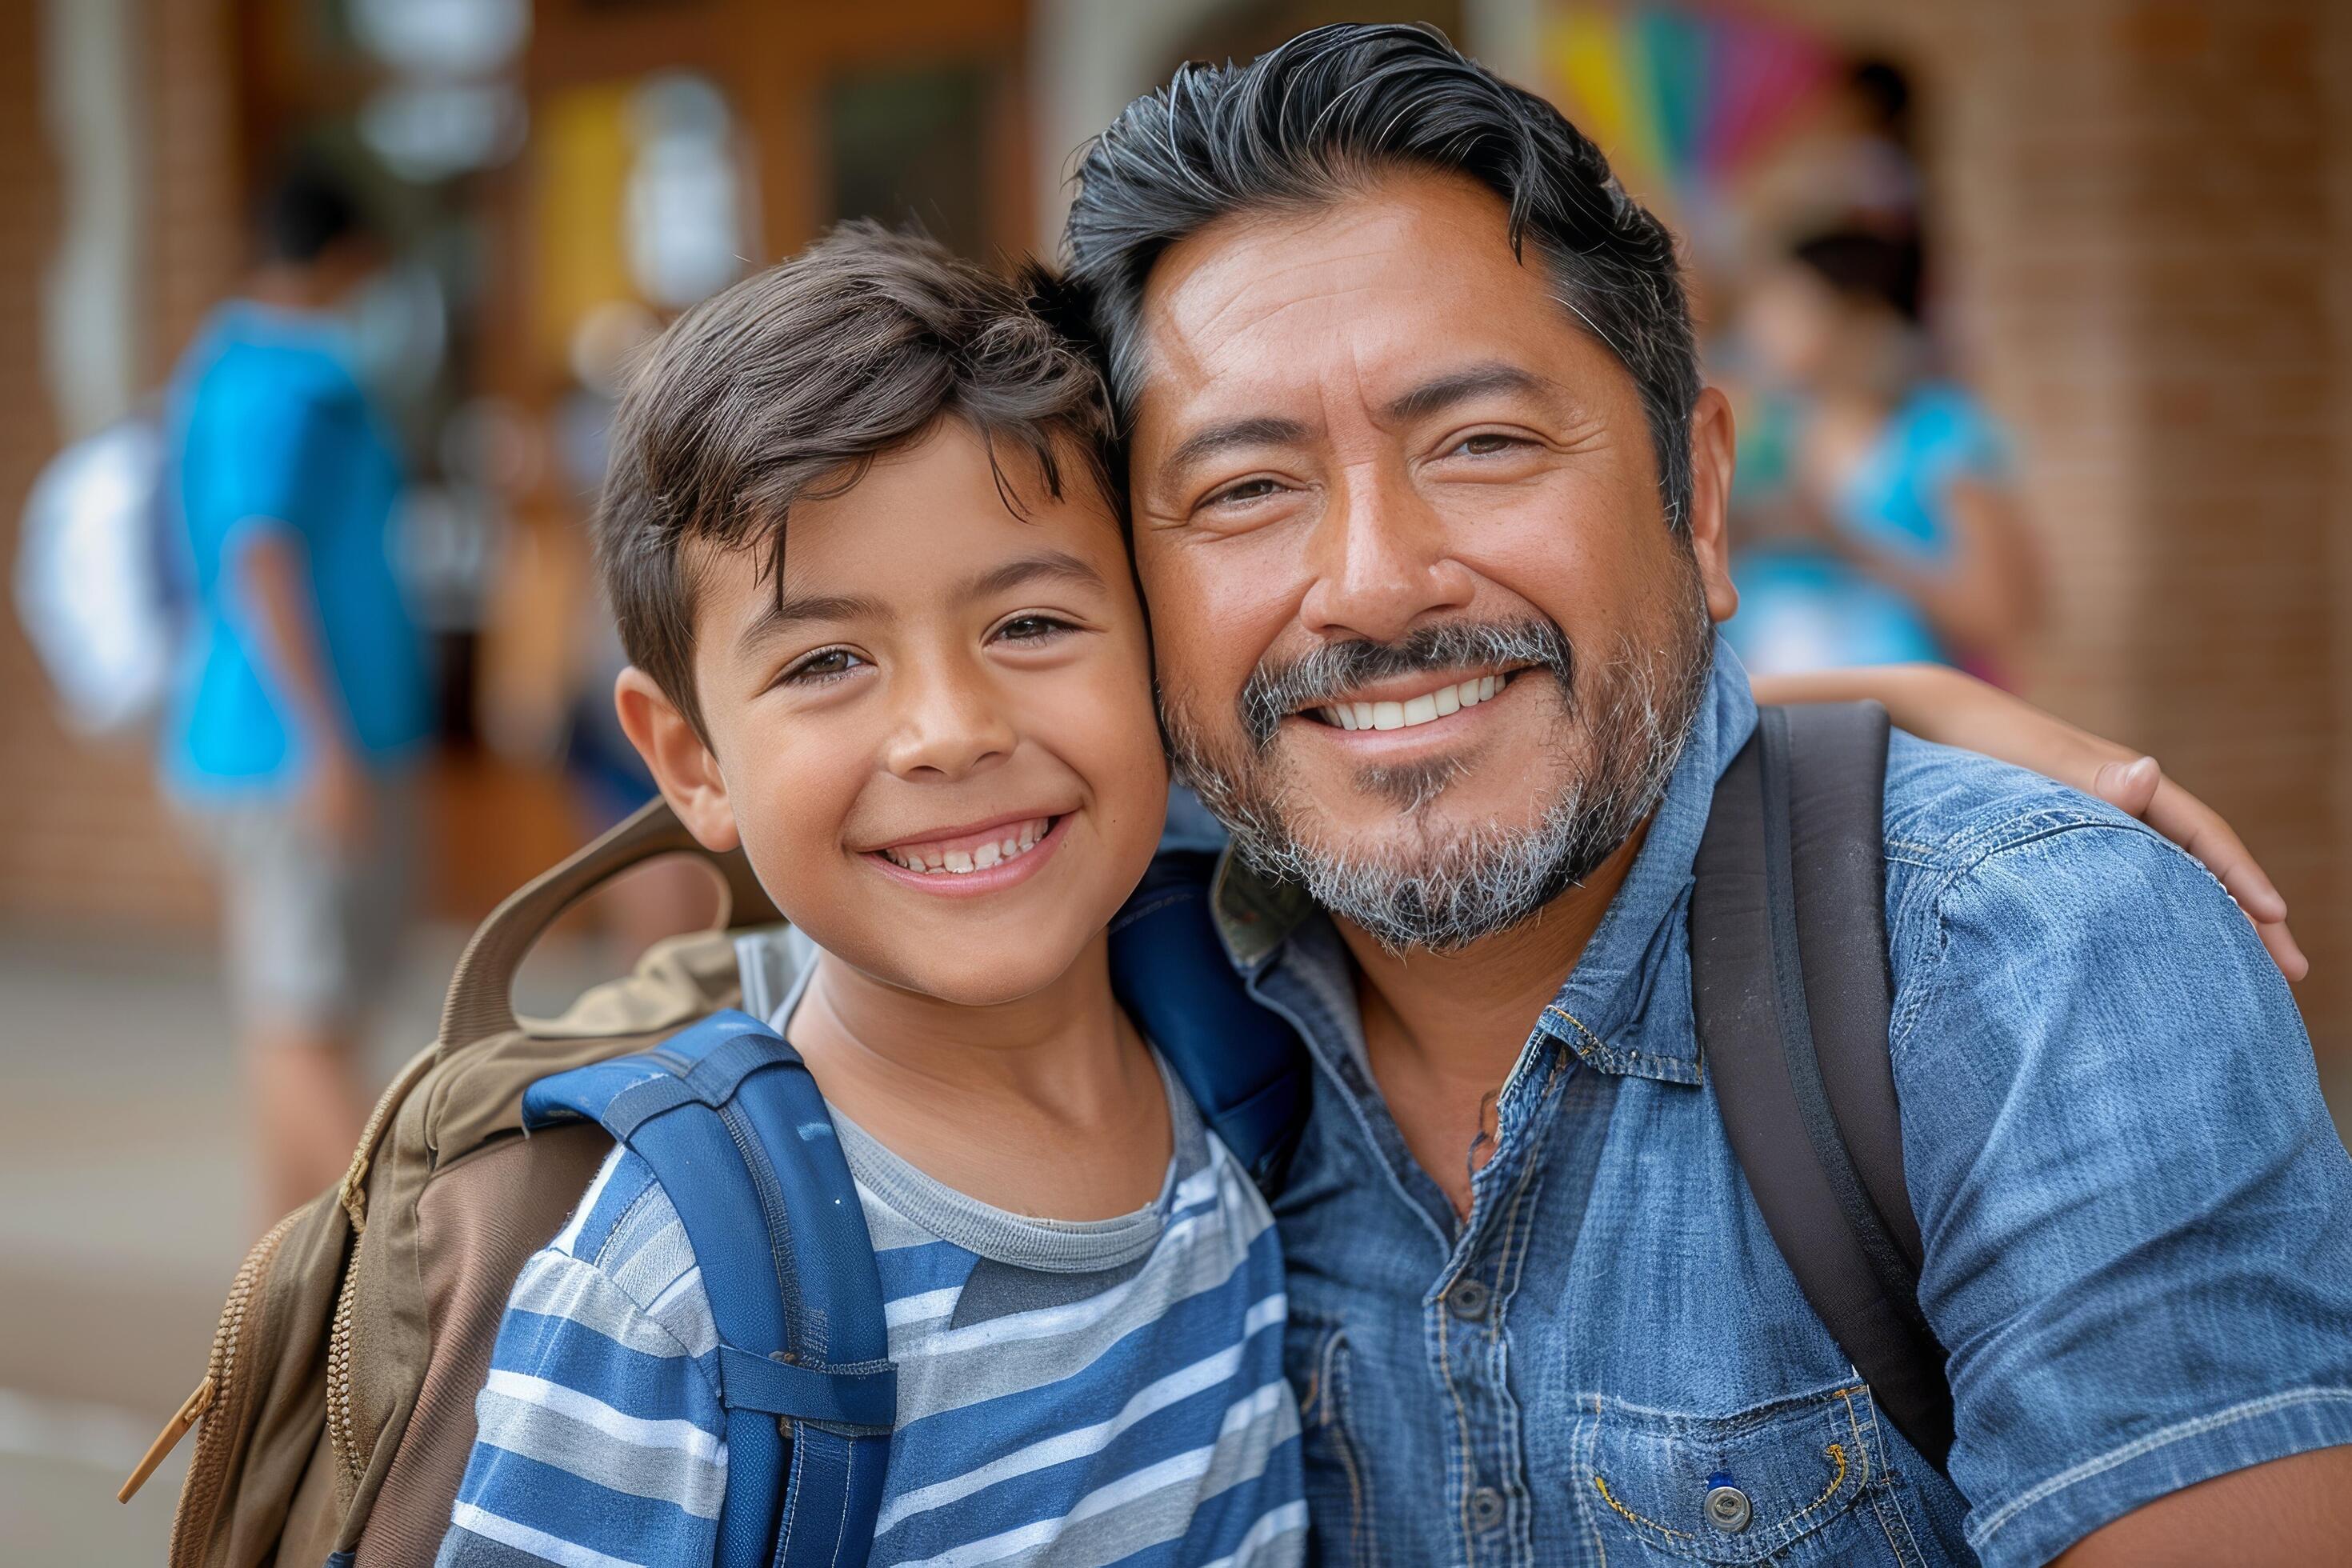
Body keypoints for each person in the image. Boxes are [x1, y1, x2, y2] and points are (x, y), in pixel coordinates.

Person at [1058, 22, 2352, 1566]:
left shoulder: (2032, 968)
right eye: (1246, 489)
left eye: (1481, 444)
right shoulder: (1096, 974)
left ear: (1702, 498)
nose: (1375, 584)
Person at [436, 227, 1305, 1566]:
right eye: (829, 660)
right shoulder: (674, 1290)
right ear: (689, 762)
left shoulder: (1244, 1053)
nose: (948, 732)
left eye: (1029, 625)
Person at [164, 165, 430, 1218]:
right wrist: (323, 746)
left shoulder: (235, 369)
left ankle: (282, 1311)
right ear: (343, 259)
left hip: (272, 745)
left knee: (297, 1022)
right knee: (302, 1028)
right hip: (294, 754)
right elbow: (259, 554)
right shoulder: (285, 383)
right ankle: (405, 1268)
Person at [1727, 227, 2042, 682]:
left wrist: (1846, 543)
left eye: (1788, 305)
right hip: (1775, 719)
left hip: (1905, 725)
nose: (1760, 326)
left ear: (1858, 315)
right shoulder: (1768, 435)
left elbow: (2000, 613)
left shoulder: (1938, 435)